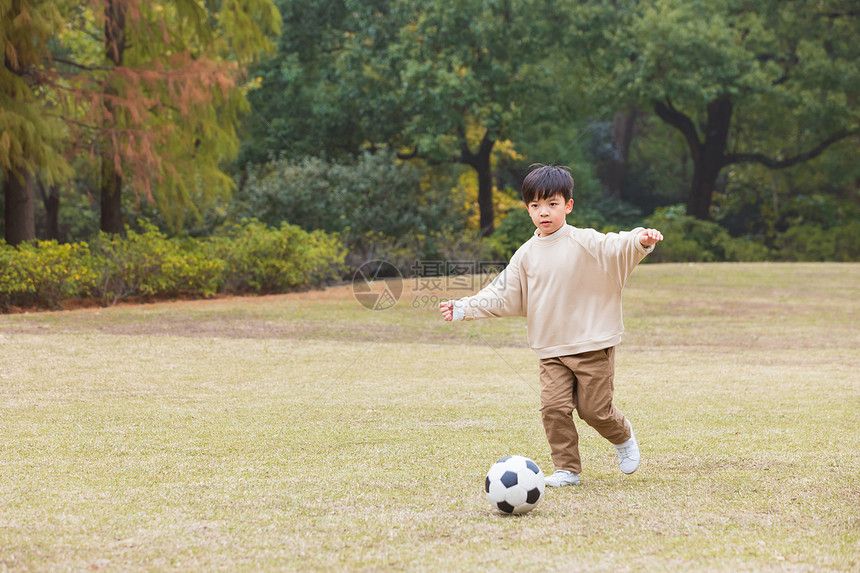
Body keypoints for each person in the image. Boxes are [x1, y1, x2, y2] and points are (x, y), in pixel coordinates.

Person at [439, 165, 663, 487]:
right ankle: (567, 469)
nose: (544, 212)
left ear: (568, 205)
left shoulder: (586, 242)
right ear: (528, 208)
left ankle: (623, 436)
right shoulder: (526, 255)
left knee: (594, 411)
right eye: (535, 206)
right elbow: (501, 293)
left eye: (552, 204)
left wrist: (641, 240)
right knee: (553, 408)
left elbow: (618, 246)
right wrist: (464, 308)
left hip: (592, 345)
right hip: (551, 349)